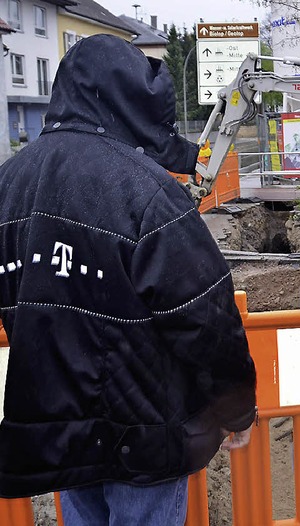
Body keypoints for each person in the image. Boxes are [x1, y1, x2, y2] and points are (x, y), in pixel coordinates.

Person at [0, 34, 256, 525]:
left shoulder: (10, 187)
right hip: (145, 435)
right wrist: (235, 410)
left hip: (60, 436)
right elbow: (205, 317)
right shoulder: (149, 194)